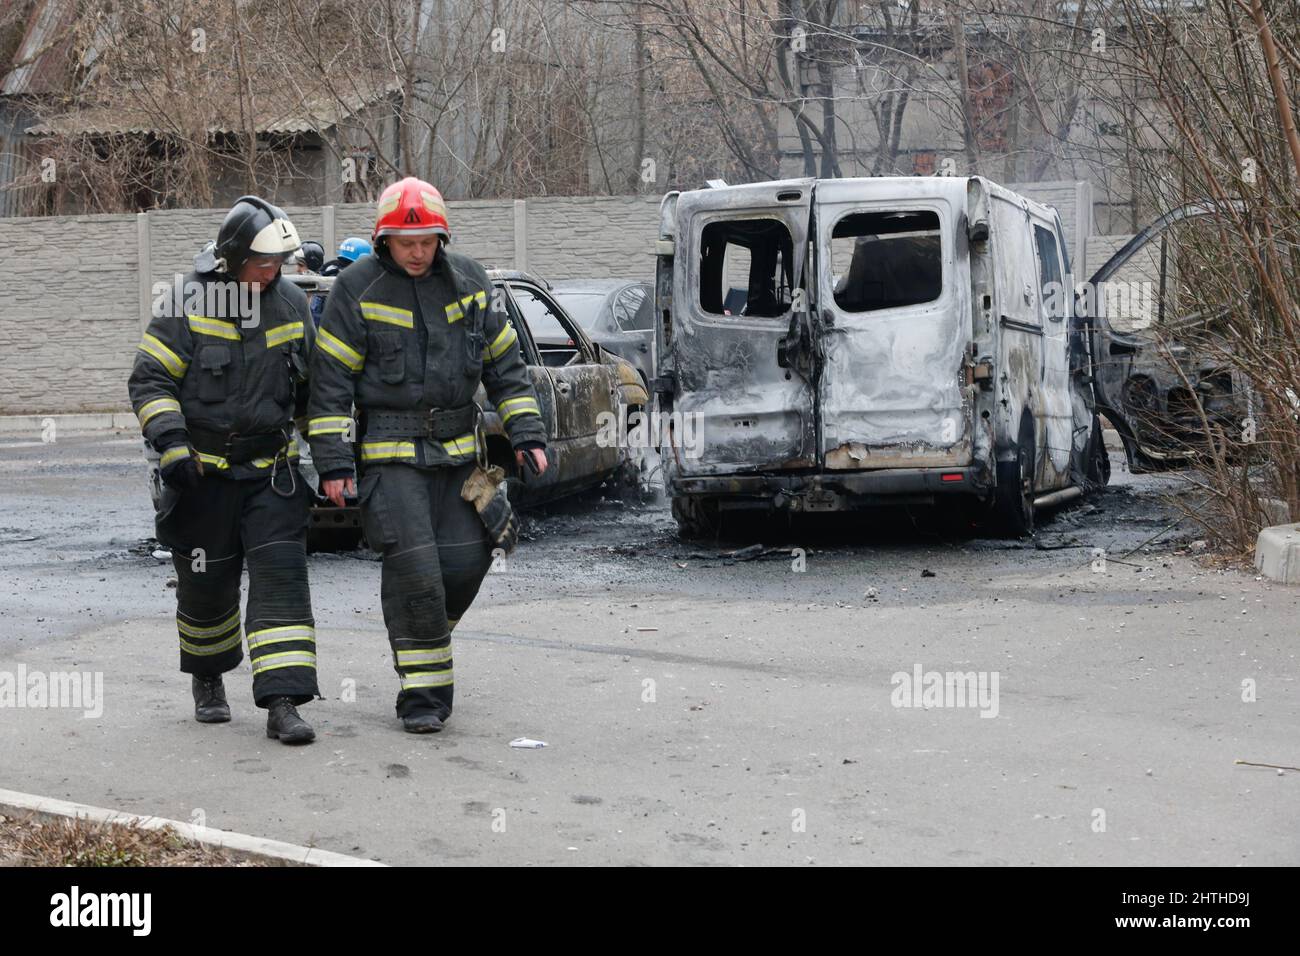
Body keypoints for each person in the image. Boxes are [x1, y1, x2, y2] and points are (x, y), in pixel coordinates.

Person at [306, 176, 547, 734]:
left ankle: (422, 633)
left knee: (467, 562)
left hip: (460, 457)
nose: (416, 253)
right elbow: (330, 383)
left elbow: (505, 367)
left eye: (426, 242)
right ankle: (422, 696)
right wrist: (334, 464)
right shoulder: (356, 289)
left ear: (442, 238)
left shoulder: (471, 281)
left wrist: (528, 433)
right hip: (390, 459)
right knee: (417, 573)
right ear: (383, 241)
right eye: (405, 243)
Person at [128, 196, 320, 744]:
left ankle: (283, 701)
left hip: (272, 475)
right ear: (232, 259)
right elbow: (150, 380)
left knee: (282, 580)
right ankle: (209, 678)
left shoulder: (291, 305)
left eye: (277, 263)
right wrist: (171, 444)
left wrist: (333, 460)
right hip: (202, 477)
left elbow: (311, 395)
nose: (272, 273)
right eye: (262, 263)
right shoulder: (187, 300)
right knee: (206, 587)